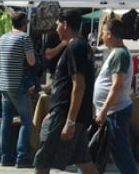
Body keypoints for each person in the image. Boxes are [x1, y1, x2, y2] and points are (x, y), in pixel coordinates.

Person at [34, 10, 97, 174]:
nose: (56, 29)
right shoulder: (81, 46)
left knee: (42, 161)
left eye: (57, 25)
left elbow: (79, 85)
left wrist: (69, 121)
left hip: (65, 115)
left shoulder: (75, 47)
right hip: (70, 114)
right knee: (84, 161)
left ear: (65, 24)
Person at [0, 11, 36, 168]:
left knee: (6, 120)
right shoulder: (24, 38)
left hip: (4, 84)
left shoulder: (4, 37)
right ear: (24, 23)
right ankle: (22, 157)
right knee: (26, 121)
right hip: (18, 85)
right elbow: (31, 61)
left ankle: (5, 157)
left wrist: (1, 62)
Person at [93, 19, 139, 174]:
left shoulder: (119, 54)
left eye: (103, 33)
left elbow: (117, 85)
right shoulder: (117, 52)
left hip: (115, 112)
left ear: (110, 34)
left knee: (121, 155)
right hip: (113, 111)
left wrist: (104, 110)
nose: (102, 37)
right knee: (102, 153)